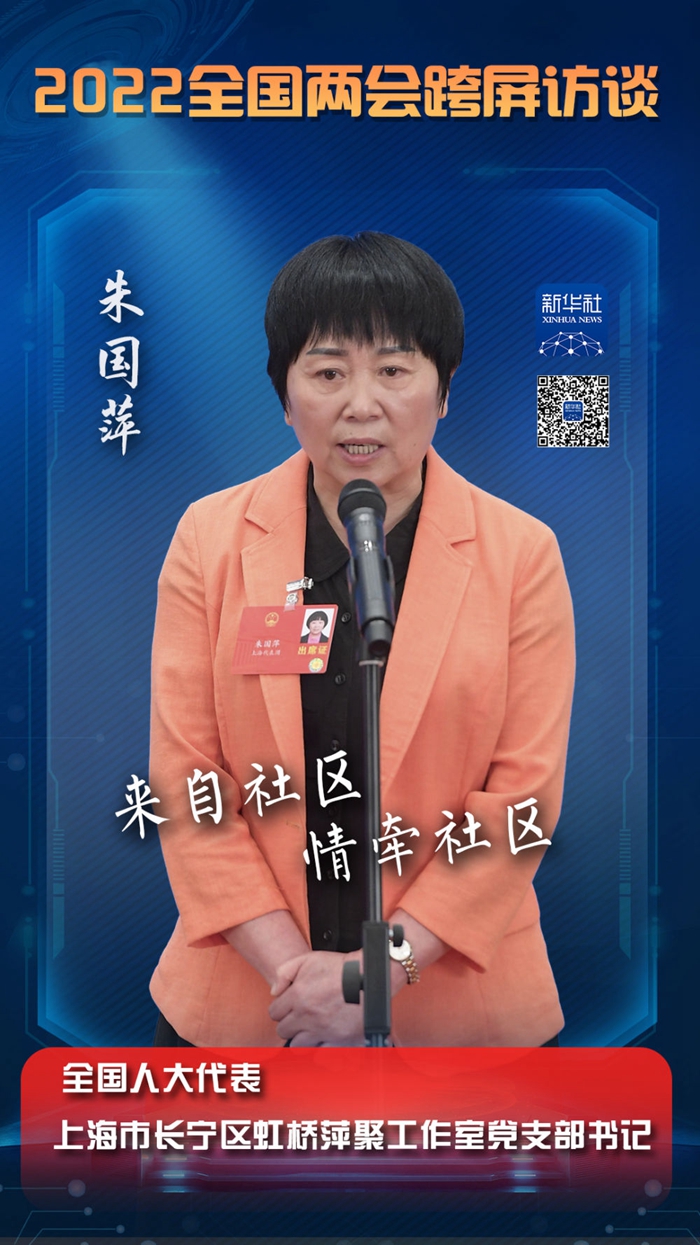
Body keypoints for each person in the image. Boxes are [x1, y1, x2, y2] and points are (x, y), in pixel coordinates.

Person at [149, 232, 575, 1048]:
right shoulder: (210, 538)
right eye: (327, 372)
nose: (361, 403)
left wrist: (374, 975)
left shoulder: (522, 553)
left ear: (444, 389)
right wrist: (299, 979)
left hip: (460, 1013)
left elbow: (521, 799)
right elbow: (187, 777)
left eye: (394, 368)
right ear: (284, 394)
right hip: (250, 1006)